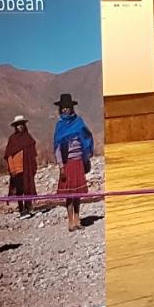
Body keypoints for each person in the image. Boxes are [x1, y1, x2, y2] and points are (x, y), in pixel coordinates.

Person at [53, 93, 93, 232]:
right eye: (63, 108)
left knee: (77, 194)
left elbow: (87, 136)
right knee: (69, 195)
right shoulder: (60, 125)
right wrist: (61, 166)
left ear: (71, 108)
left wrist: (87, 156)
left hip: (78, 161)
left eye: (67, 107)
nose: (65, 110)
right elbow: (57, 147)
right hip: (67, 162)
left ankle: (77, 219)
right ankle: (70, 222)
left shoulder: (79, 122)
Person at [5, 114, 38, 218]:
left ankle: (28, 207)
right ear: (15, 126)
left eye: (22, 124)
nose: (20, 126)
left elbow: (33, 154)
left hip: (27, 168)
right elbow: (9, 155)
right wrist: (12, 168)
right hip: (17, 169)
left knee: (27, 188)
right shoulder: (12, 139)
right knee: (20, 190)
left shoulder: (28, 137)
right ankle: (22, 210)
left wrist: (33, 166)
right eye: (18, 125)